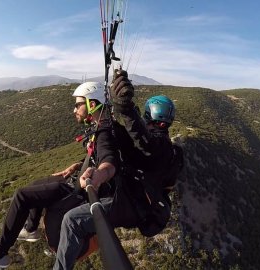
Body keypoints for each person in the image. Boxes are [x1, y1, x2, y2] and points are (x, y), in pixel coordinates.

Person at [0, 81, 120, 268]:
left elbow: (109, 158)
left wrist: (99, 174)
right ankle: (31, 229)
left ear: (92, 104)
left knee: (22, 195)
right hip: (80, 178)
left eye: (78, 104)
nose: (74, 110)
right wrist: (79, 164)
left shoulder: (104, 132)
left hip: (81, 189)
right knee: (37, 183)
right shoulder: (103, 126)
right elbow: (101, 154)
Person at [53, 70, 179, 270]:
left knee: (71, 221)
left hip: (133, 204)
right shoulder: (168, 149)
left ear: (149, 113)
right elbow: (131, 142)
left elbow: (145, 144)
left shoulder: (162, 147)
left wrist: (127, 109)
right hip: (135, 199)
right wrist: (107, 120)